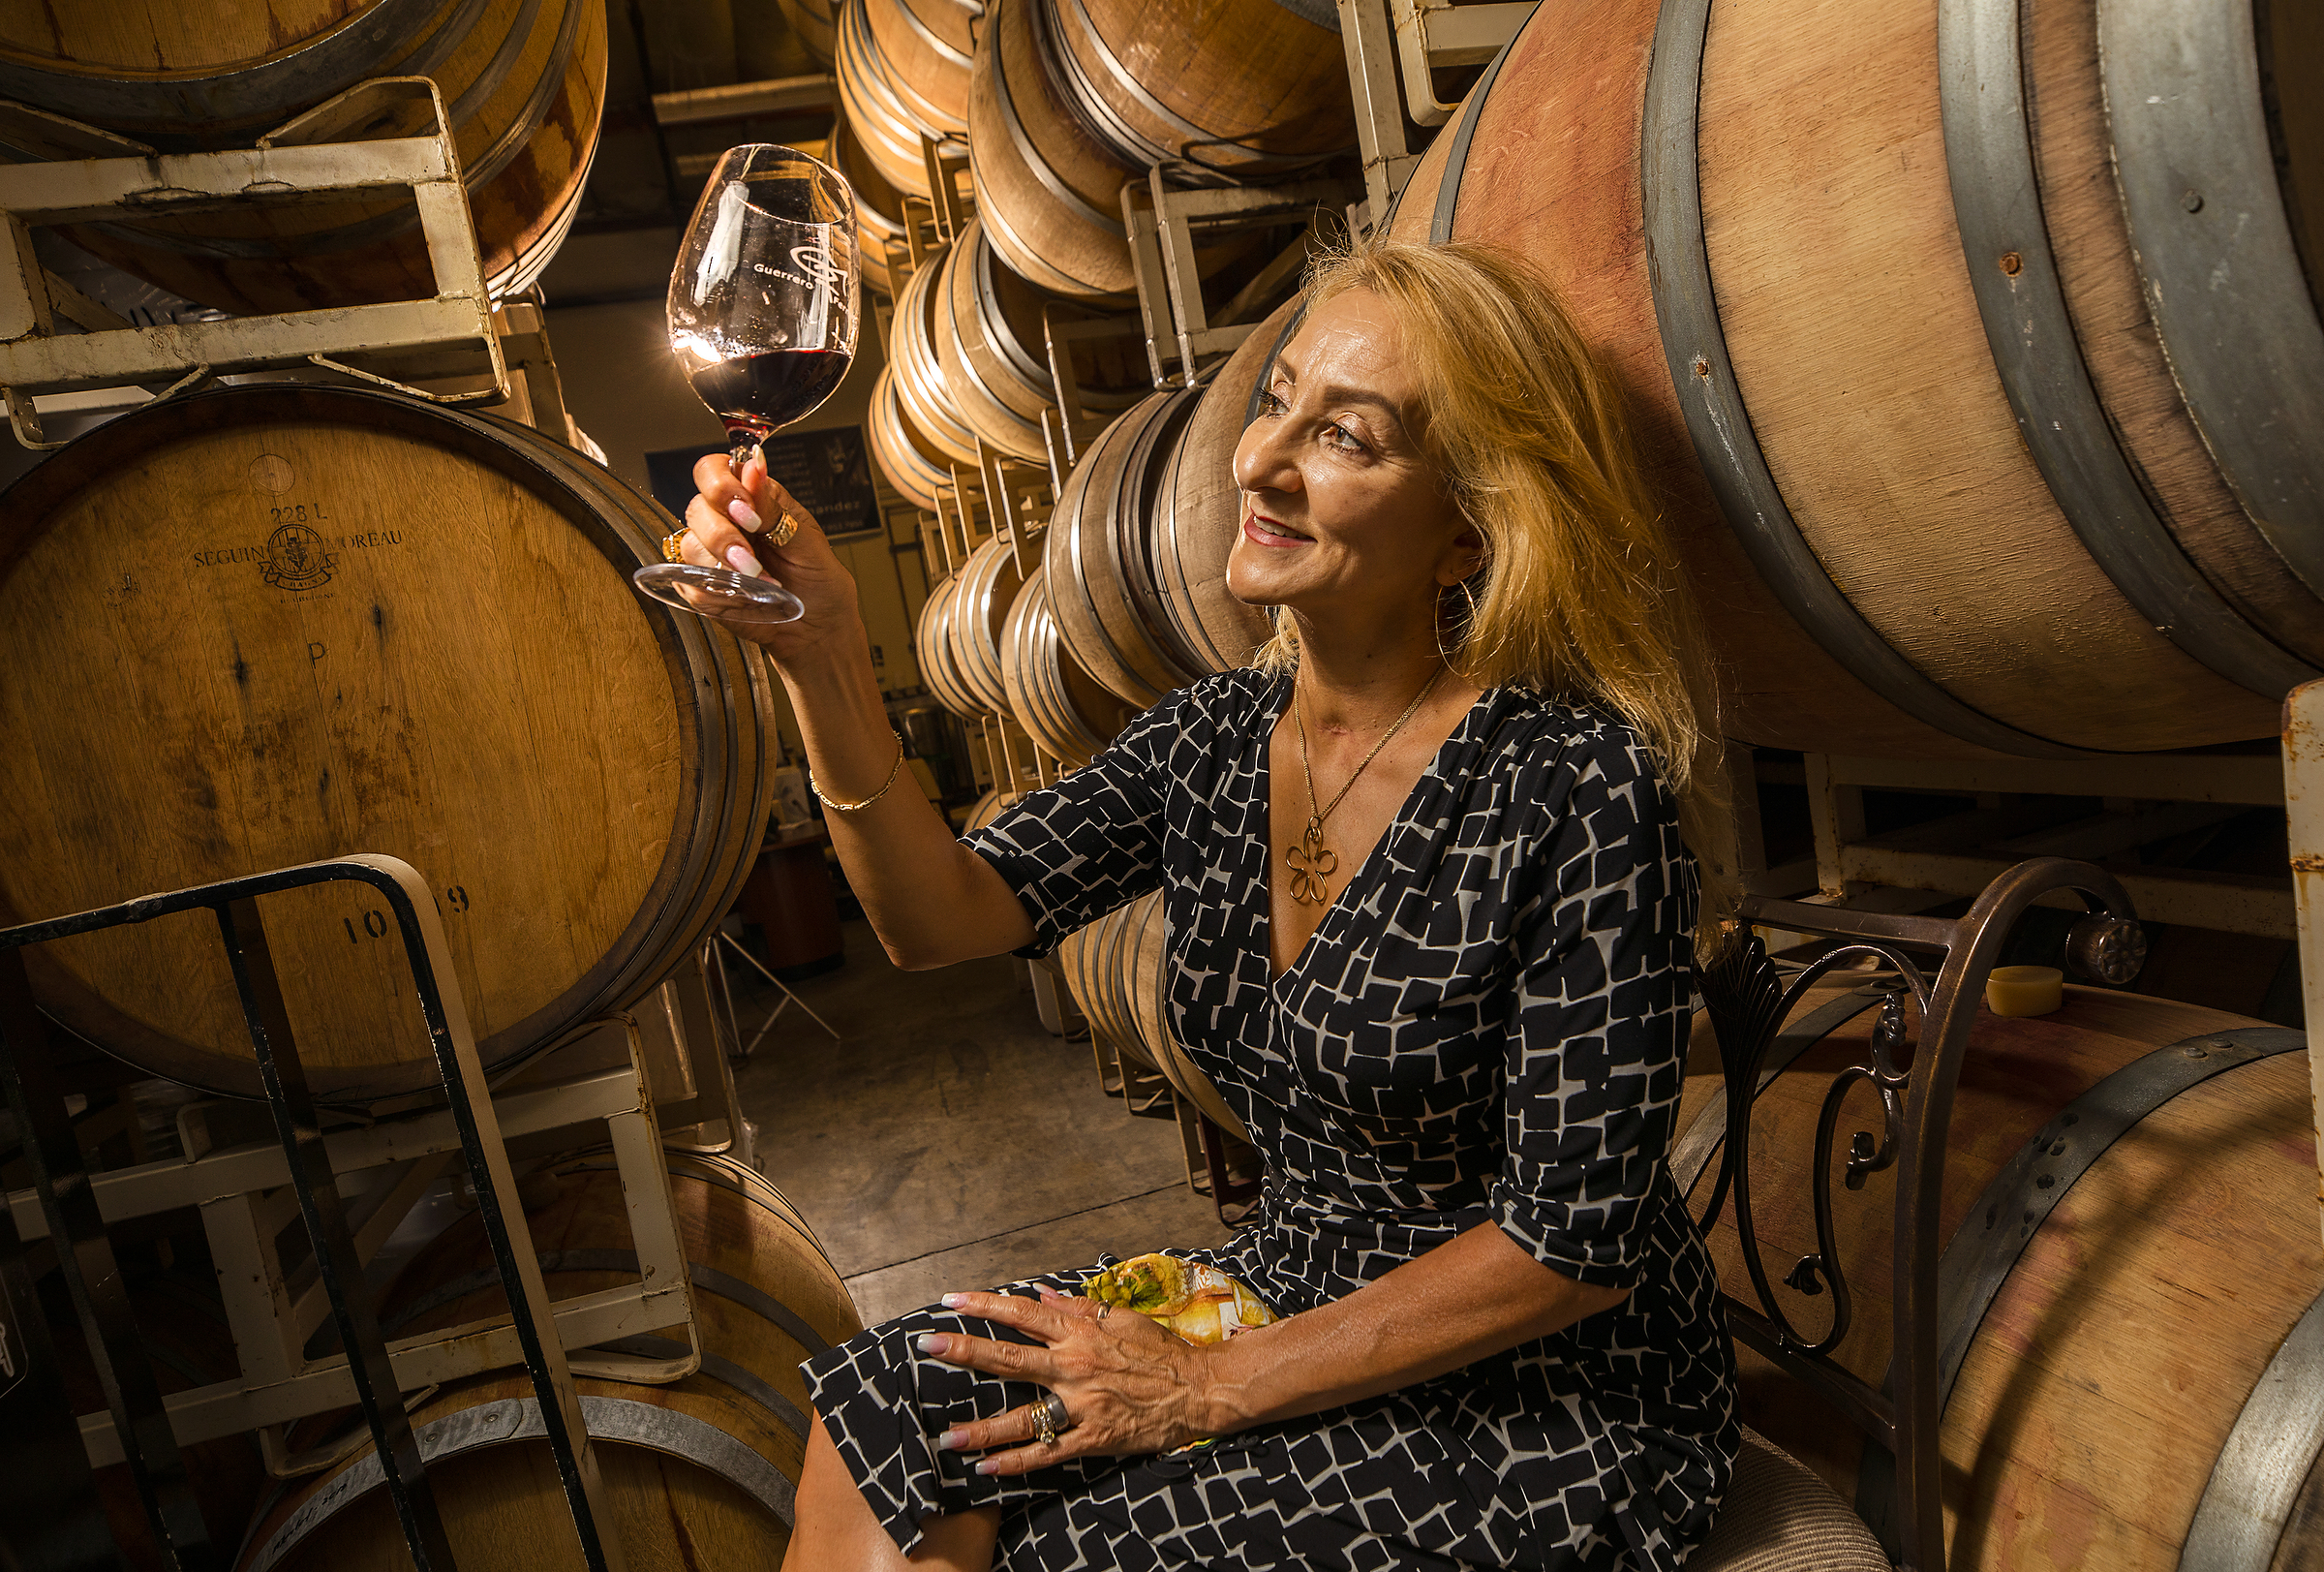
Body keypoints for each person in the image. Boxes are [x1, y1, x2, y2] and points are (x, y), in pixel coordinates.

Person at [677, 237, 1739, 1572]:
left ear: (1467, 527)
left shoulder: (1574, 782)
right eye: (1277, 399)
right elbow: (940, 916)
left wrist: (1203, 1388)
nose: (1257, 460)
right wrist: (823, 660)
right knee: (887, 1407)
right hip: (1290, 1286)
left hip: (1544, 1393)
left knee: (1079, 1547)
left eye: (1344, 437)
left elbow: (1569, 1247)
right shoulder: (1220, 739)